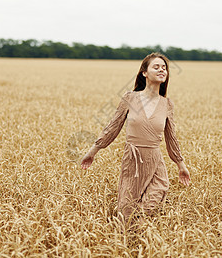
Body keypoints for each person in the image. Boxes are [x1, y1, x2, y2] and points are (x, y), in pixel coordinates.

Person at [80, 52, 190, 228]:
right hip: (133, 162)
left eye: (164, 68)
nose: (162, 70)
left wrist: (181, 165)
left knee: (150, 208)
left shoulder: (167, 104)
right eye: (156, 67)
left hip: (155, 162)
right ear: (144, 73)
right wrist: (92, 151)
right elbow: (113, 126)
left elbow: (171, 137)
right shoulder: (130, 98)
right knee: (127, 214)